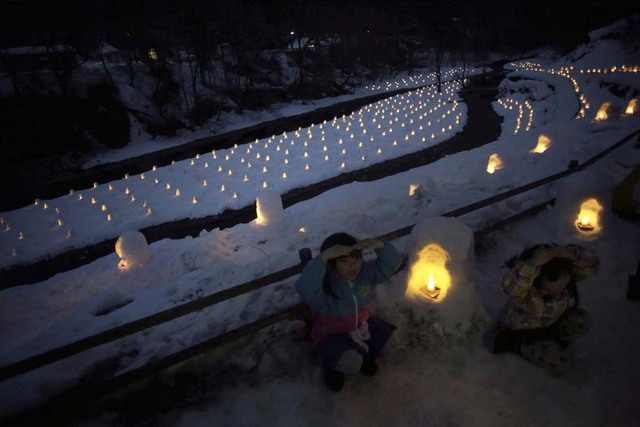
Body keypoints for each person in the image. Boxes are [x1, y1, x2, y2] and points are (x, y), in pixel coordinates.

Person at [295, 232, 404, 392]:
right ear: (331, 264)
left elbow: (392, 264)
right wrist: (323, 258)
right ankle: (333, 366)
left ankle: (360, 357)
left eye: (356, 259)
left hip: (360, 328)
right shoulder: (324, 286)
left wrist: (379, 245)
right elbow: (304, 287)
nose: (352, 266)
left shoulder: (364, 275)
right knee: (349, 362)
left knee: (368, 352)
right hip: (332, 335)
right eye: (344, 261)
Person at [485, 243, 600, 376]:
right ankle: (524, 349)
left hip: (552, 324)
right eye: (556, 277)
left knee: (582, 320)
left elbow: (592, 265)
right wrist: (533, 264)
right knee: (558, 362)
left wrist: (567, 253)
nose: (565, 279)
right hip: (525, 336)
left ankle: (558, 340)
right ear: (537, 281)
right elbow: (508, 287)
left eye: (566, 274)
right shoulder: (524, 294)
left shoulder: (566, 285)